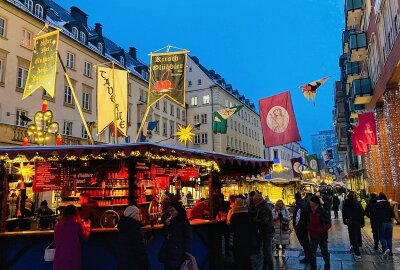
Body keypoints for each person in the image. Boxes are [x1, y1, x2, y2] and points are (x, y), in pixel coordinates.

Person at [54, 205, 90, 270]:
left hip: (59, 255)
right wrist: (88, 226)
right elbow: (85, 237)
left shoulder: (57, 225)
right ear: (76, 213)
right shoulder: (76, 224)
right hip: (72, 255)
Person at [159, 201, 192, 270]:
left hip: (179, 252)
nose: (171, 213)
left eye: (173, 211)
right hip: (169, 252)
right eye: (170, 211)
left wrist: (187, 253)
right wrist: (166, 225)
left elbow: (188, 237)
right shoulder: (170, 221)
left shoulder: (184, 221)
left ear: (178, 211)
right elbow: (163, 233)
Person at [117, 206, 149, 270]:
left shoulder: (123, 225)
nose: (139, 215)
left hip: (124, 261)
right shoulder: (134, 227)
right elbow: (139, 246)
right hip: (135, 261)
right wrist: (145, 263)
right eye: (138, 214)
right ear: (134, 215)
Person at [230, 197, 255, 270]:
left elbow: (231, 229)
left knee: (238, 256)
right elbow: (252, 226)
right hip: (247, 238)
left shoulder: (234, 215)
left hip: (238, 239)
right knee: (247, 256)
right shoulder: (248, 214)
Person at [308, 195, 331, 270]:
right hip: (312, 236)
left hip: (322, 236)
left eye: (311, 201)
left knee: (324, 252)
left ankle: (327, 265)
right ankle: (313, 267)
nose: (310, 202)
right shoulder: (310, 211)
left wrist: (320, 230)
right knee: (312, 252)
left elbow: (328, 224)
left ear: (315, 203)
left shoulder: (323, 212)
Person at [253, 193, 274, 270]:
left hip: (266, 232)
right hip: (266, 232)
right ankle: (265, 267)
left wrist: (255, 220)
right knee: (266, 252)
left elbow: (264, 221)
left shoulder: (264, 208)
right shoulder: (262, 207)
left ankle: (270, 268)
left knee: (267, 252)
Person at [342, 193, 364, 261]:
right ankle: (358, 246)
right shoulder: (357, 203)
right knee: (357, 233)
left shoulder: (346, 204)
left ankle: (357, 251)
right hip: (357, 221)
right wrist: (362, 223)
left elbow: (344, 213)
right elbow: (362, 213)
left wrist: (345, 221)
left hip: (350, 222)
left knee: (352, 235)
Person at [293, 192, 314, 265]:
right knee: (306, 242)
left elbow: (297, 218)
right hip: (305, 226)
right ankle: (308, 257)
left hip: (300, 227)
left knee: (304, 243)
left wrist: (295, 227)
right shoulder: (304, 204)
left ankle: (309, 257)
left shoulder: (299, 206)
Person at [376, 192, 395, 257]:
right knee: (389, 238)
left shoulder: (377, 204)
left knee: (382, 237)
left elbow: (376, 214)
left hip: (382, 222)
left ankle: (386, 248)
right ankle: (390, 252)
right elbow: (393, 215)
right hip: (389, 223)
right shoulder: (389, 204)